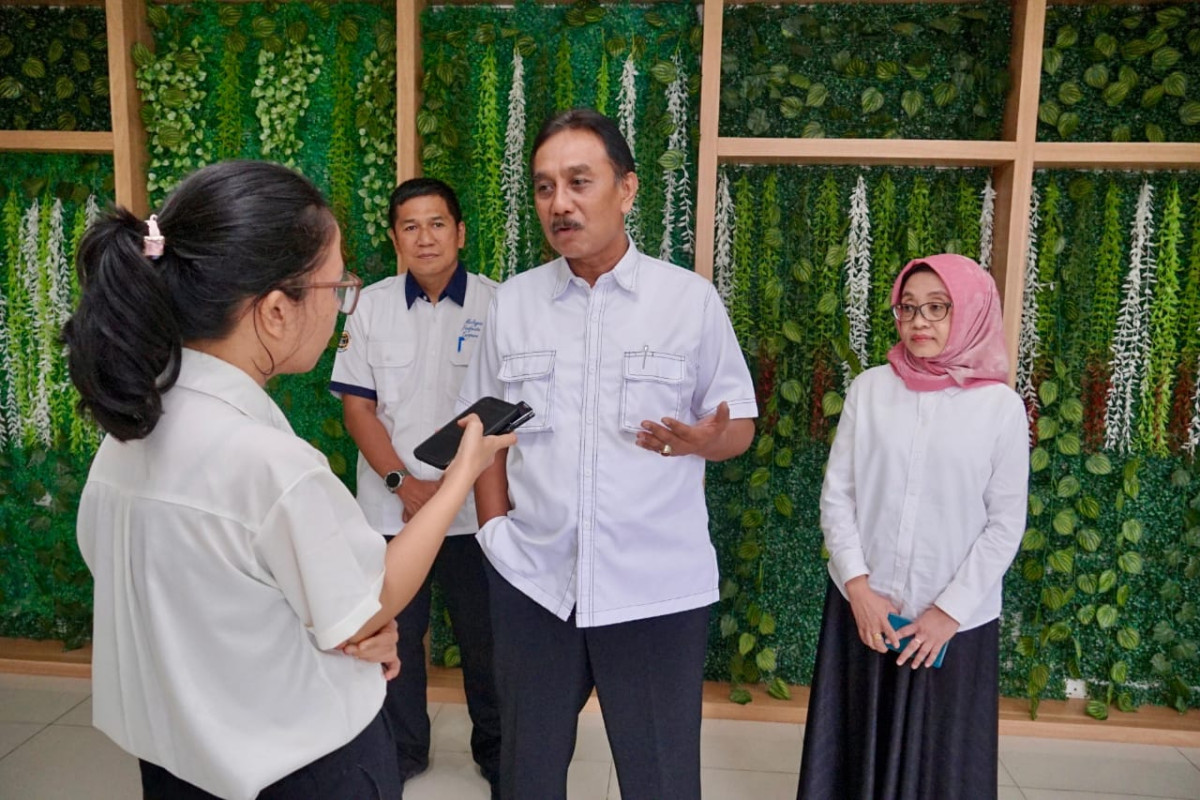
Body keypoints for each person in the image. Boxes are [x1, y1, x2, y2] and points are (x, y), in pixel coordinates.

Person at [63, 161, 513, 800]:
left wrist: (333, 626)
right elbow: (373, 599)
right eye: (336, 287)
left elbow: (205, 598)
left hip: (174, 767)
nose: (341, 305)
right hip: (304, 770)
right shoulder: (272, 466)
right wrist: (465, 469)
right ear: (276, 310)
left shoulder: (125, 440)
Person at [459, 108, 758, 800]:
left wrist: (707, 440)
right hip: (535, 581)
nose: (559, 203)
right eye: (544, 187)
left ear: (626, 189)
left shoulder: (688, 301)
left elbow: (737, 421)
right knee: (526, 775)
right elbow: (486, 433)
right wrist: (495, 533)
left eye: (578, 182)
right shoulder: (513, 305)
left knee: (660, 779)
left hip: (655, 586)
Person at [796, 254, 1029, 800]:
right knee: (853, 756)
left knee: (940, 768)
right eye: (908, 307)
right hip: (865, 612)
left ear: (970, 311)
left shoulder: (999, 407)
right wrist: (858, 587)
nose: (919, 321)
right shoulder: (870, 389)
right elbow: (839, 494)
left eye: (937, 307)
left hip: (952, 627)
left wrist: (948, 613)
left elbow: (1004, 524)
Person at [329, 177, 501, 794]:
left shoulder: (498, 305)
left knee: (485, 640)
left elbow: (505, 414)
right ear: (395, 237)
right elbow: (357, 409)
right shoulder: (369, 307)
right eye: (410, 226)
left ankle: (498, 752)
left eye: (436, 224)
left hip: (474, 515)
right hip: (390, 511)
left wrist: (455, 491)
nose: (424, 237)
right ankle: (401, 752)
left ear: (460, 232)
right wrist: (404, 484)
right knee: (393, 633)